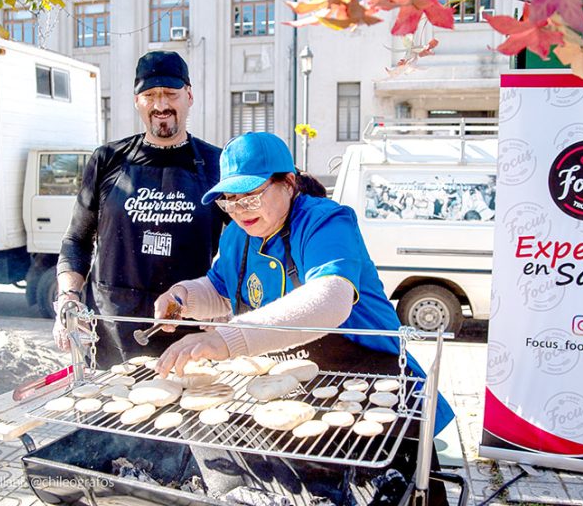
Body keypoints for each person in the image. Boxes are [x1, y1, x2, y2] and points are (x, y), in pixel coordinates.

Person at [153, 132, 455, 504]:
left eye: (250, 195)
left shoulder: (325, 221)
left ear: (289, 183)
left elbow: (330, 299)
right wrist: (182, 297)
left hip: (373, 382)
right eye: (229, 200)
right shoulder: (237, 235)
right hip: (299, 388)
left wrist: (227, 339)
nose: (240, 209)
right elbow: (217, 289)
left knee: (395, 491)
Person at [52, 51, 225, 367]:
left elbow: (248, 244)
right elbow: (76, 241)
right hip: (111, 329)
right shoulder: (107, 160)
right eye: (150, 96)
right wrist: (68, 298)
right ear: (137, 101)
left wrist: (227, 304)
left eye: (171, 94)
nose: (160, 105)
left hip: (188, 330)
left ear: (189, 96)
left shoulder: (217, 163)